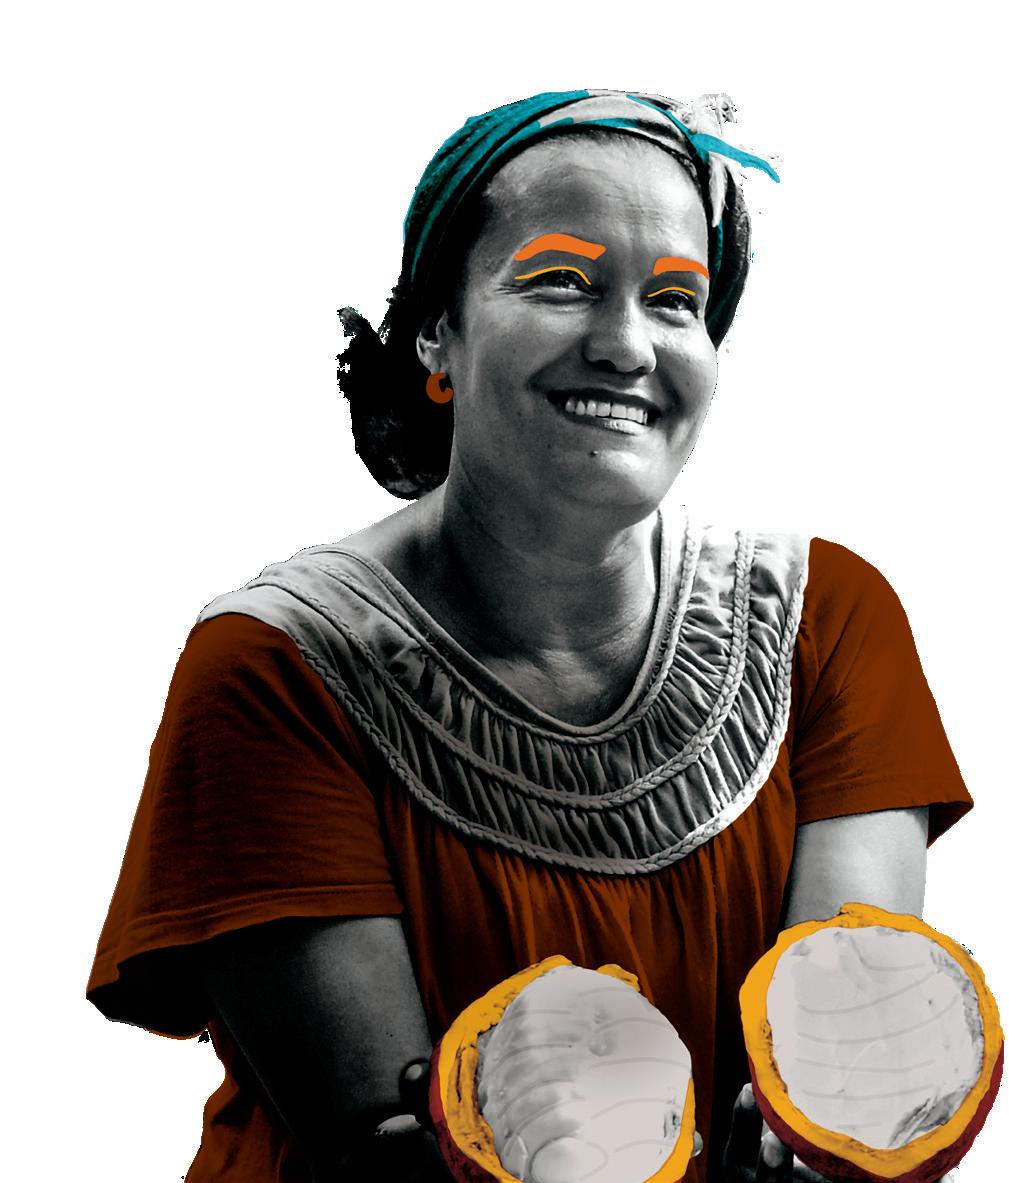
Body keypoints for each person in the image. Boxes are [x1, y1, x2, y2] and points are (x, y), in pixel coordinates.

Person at [86, 90, 973, 1183]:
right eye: (561, 281)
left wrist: (824, 1153)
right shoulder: (278, 666)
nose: (626, 345)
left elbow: (841, 1071)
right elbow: (391, 1153)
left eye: (676, 300)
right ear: (437, 333)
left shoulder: (825, 619)